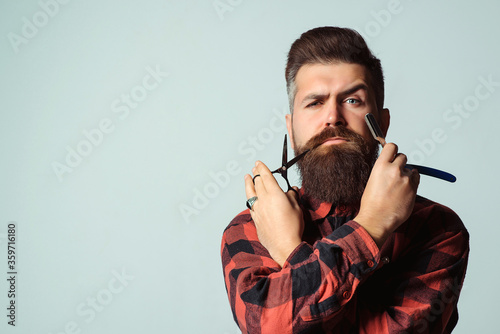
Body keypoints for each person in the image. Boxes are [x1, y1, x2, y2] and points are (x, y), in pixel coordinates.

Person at [220, 26, 469, 334]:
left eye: (352, 100)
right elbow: (270, 328)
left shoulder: (436, 227)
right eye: (314, 103)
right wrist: (371, 229)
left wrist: (288, 250)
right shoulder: (250, 227)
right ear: (291, 128)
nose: (333, 117)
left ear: (383, 122)